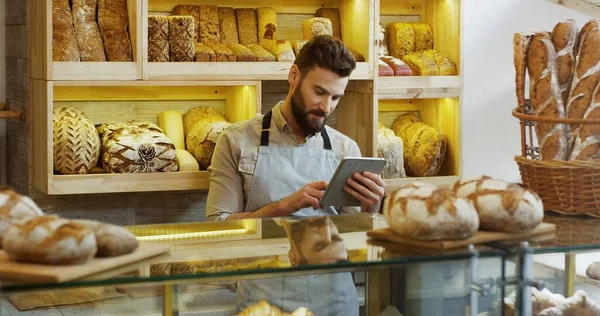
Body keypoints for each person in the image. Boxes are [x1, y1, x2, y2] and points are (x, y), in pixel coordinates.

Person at [206, 34, 386, 221]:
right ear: (293, 76)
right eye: (319, 92)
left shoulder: (346, 150)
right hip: (261, 251)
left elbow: (352, 236)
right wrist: (284, 207)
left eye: (335, 98)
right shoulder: (235, 140)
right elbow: (218, 224)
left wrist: (370, 209)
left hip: (326, 251)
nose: (326, 107)